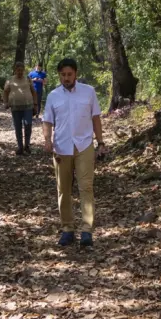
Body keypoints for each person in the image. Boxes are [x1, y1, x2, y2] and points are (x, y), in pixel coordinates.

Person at [43, 58, 108, 247]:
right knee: (63, 189)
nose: (66, 78)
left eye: (69, 74)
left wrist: (100, 141)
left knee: (86, 187)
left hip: (84, 145)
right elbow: (47, 121)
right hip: (61, 147)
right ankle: (67, 229)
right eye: (63, 75)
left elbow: (96, 118)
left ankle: (87, 230)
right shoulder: (53, 96)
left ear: (76, 73)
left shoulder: (88, 92)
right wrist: (47, 140)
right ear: (59, 75)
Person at [3, 61, 37, 155]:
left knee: (28, 125)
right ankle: (20, 147)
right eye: (18, 70)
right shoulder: (10, 80)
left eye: (21, 70)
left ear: (24, 70)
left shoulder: (28, 79)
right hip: (15, 107)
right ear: (15, 70)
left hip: (28, 106)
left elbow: (34, 92)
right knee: (17, 126)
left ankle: (27, 146)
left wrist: (35, 104)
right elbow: (5, 92)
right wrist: (5, 102)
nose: (20, 72)